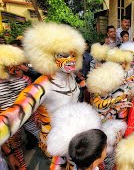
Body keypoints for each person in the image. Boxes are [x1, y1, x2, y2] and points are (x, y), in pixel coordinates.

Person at [0, 22, 86, 169]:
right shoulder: (42, 85)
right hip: (55, 141)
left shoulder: (70, 76)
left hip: (73, 136)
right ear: (49, 56)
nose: (71, 60)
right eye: (64, 55)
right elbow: (13, 115)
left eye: (73, 55)